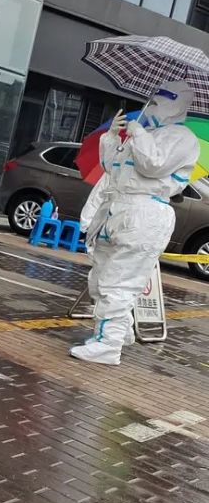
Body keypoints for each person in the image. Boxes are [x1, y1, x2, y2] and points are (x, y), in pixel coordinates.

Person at [71, 83, 199, 365]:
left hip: (144, 214)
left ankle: (108, 344)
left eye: (162, 101)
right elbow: (113, 169)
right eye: (152, 99)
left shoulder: (181, 138)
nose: (152, 105)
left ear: (179, 105)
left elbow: (152, 165)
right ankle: (120, 331)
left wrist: (139, 135)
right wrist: (112, 138)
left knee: (118, 282)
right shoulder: (143, 134)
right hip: (117, 210)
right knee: (101, 279)